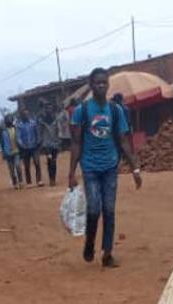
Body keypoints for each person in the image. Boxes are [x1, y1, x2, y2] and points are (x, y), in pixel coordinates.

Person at [69, 68, 142, 268]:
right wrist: (71, 173)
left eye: (104, 82)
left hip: (110, 167)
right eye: (97, 83)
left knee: (109, 210)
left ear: (108, 85)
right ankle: (90, 242)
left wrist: (135, 168)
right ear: (91, 86)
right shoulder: (82, 111)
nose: (101, 86)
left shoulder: (115, 111)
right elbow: (76, 143)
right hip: (90, 167)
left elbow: (123, 140)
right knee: (94, 209)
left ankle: (107, 253)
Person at [15, 108, 43, 187]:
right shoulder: (19, 126)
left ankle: (39, 180)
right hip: (25, 148)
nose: (26, 116)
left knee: (37, 163)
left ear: (29, 114)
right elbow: (18, 137)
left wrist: (38, 141)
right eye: (24, 114)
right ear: (21, 116)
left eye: (27, 114)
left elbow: (37, 133)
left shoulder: (33, 123)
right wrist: (21, 145)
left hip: (34, 147)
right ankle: (29, 182)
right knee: (27, 166)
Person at [0, 114, 22, 189]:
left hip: (16, 151)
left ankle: (20, 181)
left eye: (10, 119)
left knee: (18, 166)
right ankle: (15, 183)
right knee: (11, 169)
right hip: (8, 153)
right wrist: (0, 132)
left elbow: (20, 138)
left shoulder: (16, 128)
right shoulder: (3, 131)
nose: (9, 121)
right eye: (7, 120)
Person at [38, 103, 61, 186]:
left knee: (54, 162)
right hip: (47, 144)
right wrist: (40, 142)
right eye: (47, 108)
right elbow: (40, 132)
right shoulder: (42, 120)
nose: (49, 110)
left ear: (52, 110)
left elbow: (59, 131)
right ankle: (51, 179)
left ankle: (53, 178)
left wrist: (59, 142)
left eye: (50, 108)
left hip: (55, 144)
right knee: (49, 160)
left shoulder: (56, 119)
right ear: (45, 110)